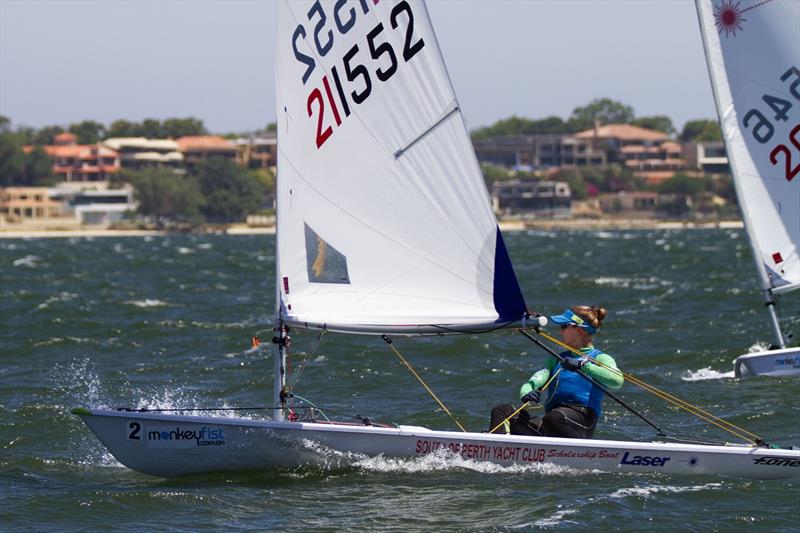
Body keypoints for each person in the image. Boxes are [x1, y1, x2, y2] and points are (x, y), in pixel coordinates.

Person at [489, 305, 623, 439]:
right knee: (501, 411)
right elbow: (536, 379)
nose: (560, 331)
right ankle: (492, 448)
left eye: (564, 326)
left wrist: (583, 365)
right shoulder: (556, 359)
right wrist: (526, 392)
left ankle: (582, 454)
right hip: (552, 421)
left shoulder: (600, 358)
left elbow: (617, 380)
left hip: (582, 419)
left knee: (554, 417)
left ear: (580, 330)